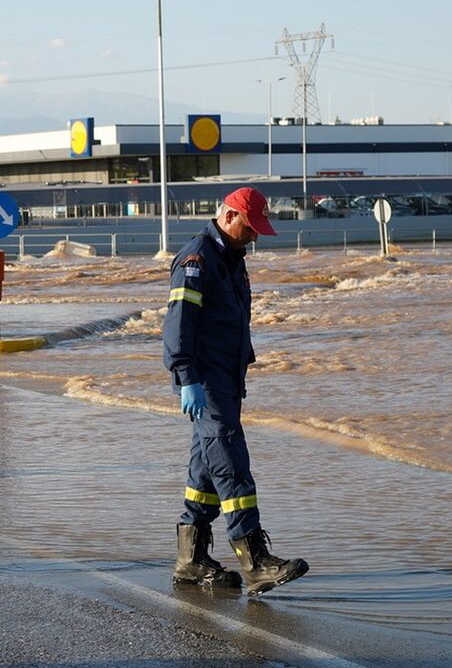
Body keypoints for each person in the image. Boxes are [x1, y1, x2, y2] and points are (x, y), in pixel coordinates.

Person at [162, 186, 309, 595]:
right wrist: (186, 376)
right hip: (205, 379)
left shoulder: (231, 259)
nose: (256, 236)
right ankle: (255, 560)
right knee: (230, 460)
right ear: (229, 218)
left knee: (205, 468)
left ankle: (191, 559)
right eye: (251, 227)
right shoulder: (197, 259)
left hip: (226, 377)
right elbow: (178, 323)